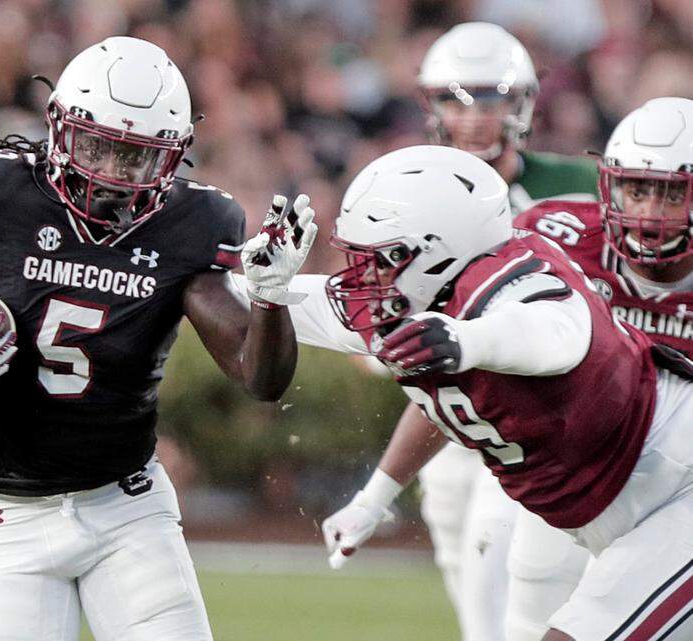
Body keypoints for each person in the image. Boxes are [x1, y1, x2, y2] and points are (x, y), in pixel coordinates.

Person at [0, 36, 312, 641]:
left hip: (126, 506)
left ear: (174, 155)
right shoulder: (2, 195)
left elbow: (259, 378)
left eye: (136, 157)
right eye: (98, 147)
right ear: (58, 126)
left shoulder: (193, 225)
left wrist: (271, 297)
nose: (112, 174)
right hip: (4, 510)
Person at [289, 144, 693, 641]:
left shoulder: (509, 287)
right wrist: (252, 284)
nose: (362, 277)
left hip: (673, 477)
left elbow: (555, 334)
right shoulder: (422, 305)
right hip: (593, 493)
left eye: (382, 258)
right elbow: (435, 393)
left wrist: (467, 341)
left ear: (437, 251)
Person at [394, 22, 601, 640]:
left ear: (522, 103)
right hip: (448, 412)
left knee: (513, 570)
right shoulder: (410, 187)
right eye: (457, 98)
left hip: (541, 408)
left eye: (491, 98)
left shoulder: (577, 185)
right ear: (433, 106)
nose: (475, 116)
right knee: (466, 566)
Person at [501, 96, 693, 641]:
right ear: (608, 185)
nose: (650, 214)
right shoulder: (557, 242)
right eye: (637, 188)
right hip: (576, 482)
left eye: (672, 192)